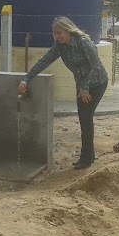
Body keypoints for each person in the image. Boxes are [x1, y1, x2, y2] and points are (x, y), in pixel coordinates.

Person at [18, 16, 108, 169]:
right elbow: (44, 61)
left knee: (85, 118)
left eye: (59, 33)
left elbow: (95, 67)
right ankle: (89, 155)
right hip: (82, 85)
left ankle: (86, 159)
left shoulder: (83, 43)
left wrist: (85, 87)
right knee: (84, 118)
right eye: (54, 33)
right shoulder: (60, 46)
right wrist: (27, 78)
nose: (57, 36)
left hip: (97, 82)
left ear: (68, 31)